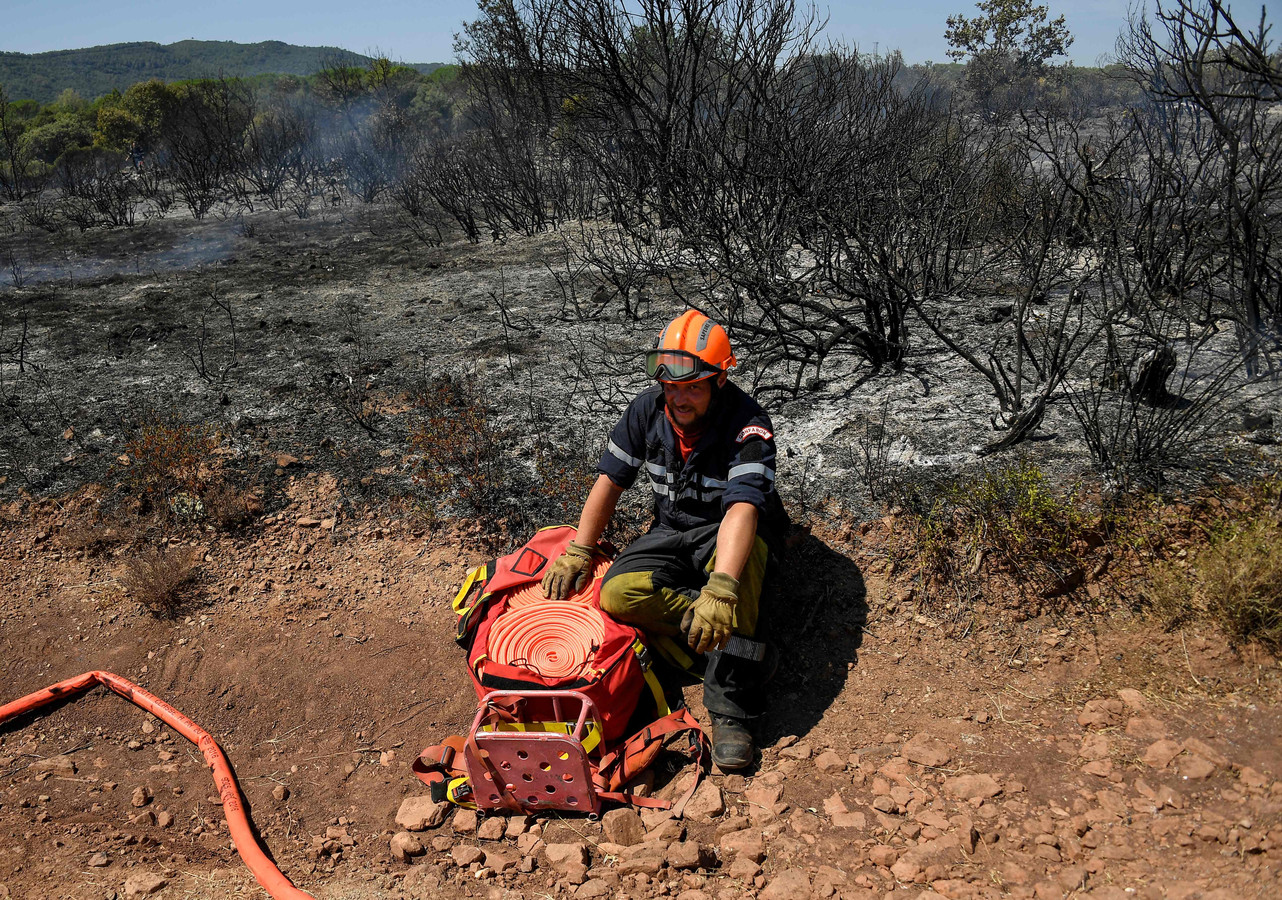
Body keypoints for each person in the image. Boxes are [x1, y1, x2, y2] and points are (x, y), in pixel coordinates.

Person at [541, 309, 785, 770]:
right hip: (672, 530)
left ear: (719, 381)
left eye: (693, 387)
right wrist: (580, 548)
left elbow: (743, 508)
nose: (680, 398)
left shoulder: (748, 422)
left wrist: (722, 588)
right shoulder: (647, 409)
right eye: (672, 387)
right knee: (616, 593)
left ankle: (731, 707)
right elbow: (610, 481)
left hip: (730, 532)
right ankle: (733, 644)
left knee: (738, 573)